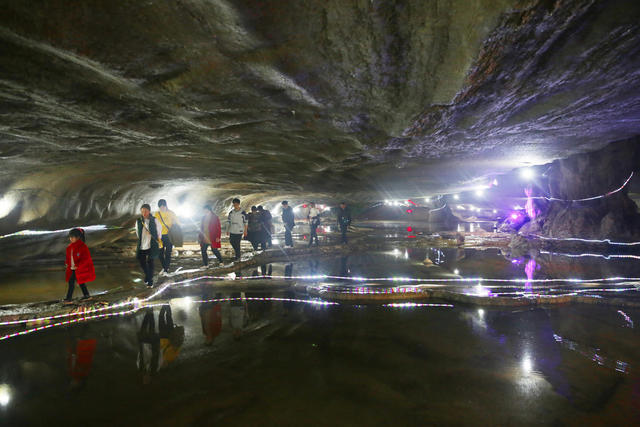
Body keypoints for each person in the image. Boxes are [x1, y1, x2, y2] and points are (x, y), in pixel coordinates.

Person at [63, 228, 95, 304]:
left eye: (72, 237)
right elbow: (69, 257)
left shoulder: (83, 247)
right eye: (70, 237)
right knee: (80, 282)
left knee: (72, 282)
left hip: (79, 268)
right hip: (73, 268)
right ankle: (87, 296)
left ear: (78, 237)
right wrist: (67, 263)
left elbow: (86, 259)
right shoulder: (70, 247)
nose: (71, 238)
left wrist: (78, 265)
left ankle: (68, 299)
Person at [136, 203, 161, 288]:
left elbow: (159, 231)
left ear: (149, 211)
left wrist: (157, 238)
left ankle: (150, 282)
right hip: (142, 244)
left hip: (152, 244)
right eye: (142, 211)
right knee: (141, 261)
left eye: (145, 211)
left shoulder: (154, 220)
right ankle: (148, 276)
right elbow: (137, 232)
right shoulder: (139, 221)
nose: (144, 213)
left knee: (151, 262)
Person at [154, 199, 178, 275]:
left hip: (169, 236)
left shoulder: (171, 213)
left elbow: (177, 224)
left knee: (168, 253)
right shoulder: (157, 214)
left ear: (166, 205)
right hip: (160, 236)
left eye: (163, 206)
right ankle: (165, 268)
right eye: (160, 207)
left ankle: (165, 270)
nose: (162, 208)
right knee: (160, 254)